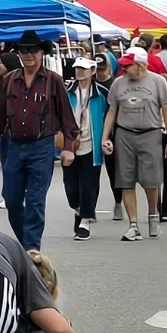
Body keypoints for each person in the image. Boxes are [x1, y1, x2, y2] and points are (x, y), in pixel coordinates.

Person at [0, 30, 78, 250]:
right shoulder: (9, 80)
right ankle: (25, 243)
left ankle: (32, 248)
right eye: (24, 51)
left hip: (41, 146)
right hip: (12, 146)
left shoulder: (53, 81)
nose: (29, 55)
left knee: (36, 200)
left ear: (41, 53)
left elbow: (67, 117)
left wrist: (68, 147)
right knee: (12, 199)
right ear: (19, 54)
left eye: (33, 51)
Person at [106, 52, 167, 241]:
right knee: (125, 180)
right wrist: (106, 137)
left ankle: (152, 214)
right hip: (124, 133)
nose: (124, 69)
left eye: (128, 66)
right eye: (123, 66)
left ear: (141, 65)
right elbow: (112, 110)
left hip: (150, 132)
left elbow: (166, 110)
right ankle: (133, 225)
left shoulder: (158, 82)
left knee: (151, 180)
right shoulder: (118, 83)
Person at [59, 57, 111, 241]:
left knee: (89, 184)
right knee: (70, 186)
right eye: (77, 69)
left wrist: (107, 139)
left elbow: (110, 116)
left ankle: (85, 221)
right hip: (71, 144)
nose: (80, 72)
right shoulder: (66, 92)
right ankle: (78, 209)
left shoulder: (102, 93)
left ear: (93, 71)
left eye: (84, 69)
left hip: (92, 143)